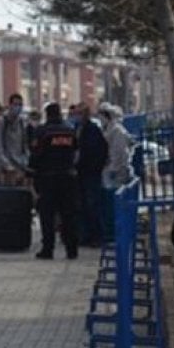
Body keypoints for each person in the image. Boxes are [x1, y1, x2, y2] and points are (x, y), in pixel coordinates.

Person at [29, 103, 79, 260]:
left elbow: (35, 154)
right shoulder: (70, 131)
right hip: (68, 177)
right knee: (68, 214)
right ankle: (72, 249)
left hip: (48, 178)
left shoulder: (42, 131)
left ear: (48, 115)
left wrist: (31, 170)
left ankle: (48, 249)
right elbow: (76, 152)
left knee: (47, 215)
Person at [74, 103, 108, 247]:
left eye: (80, 113)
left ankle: (97, 236)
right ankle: (85, 235)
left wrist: (94, 167)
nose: (77, 116)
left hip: (91, 172)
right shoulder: (77, 129)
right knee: (82, 205)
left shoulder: (93, 130)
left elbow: (99, 151)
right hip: (80, 173)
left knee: (92, 204)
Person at [99, 104, 134, 243]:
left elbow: (120, 153)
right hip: (109, 170)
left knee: (114, 205)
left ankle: (114, 233)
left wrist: (115, 169)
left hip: (116, 172)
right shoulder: (110, 129)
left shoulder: (117, 131)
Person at [0, 93, 30, 186]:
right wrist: (7, 165)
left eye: (20, 105)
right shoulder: (1, 122)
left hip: (21, 167)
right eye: (15, 104)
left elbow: (24, 146)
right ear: (10, 105)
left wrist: (25, 162)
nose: (18, 107)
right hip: (6, 170)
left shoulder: (22, 122)